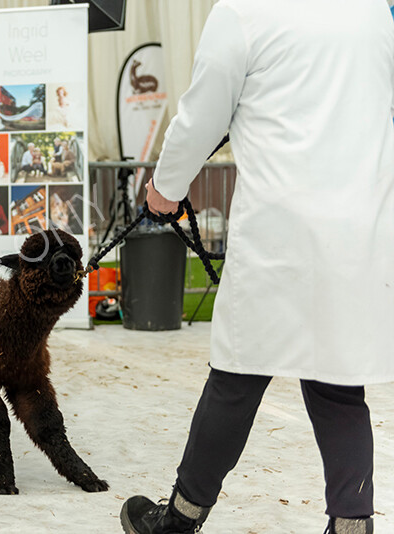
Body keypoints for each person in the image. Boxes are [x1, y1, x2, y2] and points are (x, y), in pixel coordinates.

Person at [120, 1, 394, 534]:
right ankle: (352, 527)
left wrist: (165, 190)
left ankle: (179, 519)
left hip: (279, 232)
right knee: (340, 385)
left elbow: (201, 117)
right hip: (357, 230)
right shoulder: (371, 12)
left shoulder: (244, 12)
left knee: (237, 377)